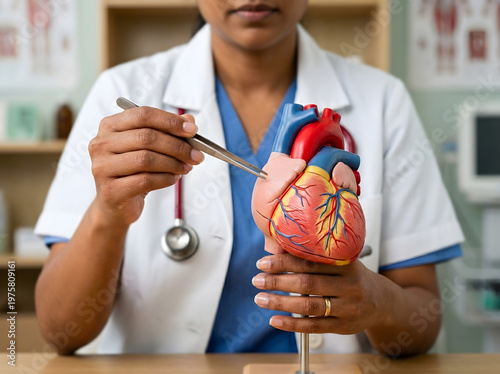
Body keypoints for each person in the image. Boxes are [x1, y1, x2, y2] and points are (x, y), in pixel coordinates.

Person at [35, 0, 463, 356]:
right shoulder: (124, 92)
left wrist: (377, 302)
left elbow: (421, 320)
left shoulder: (382, 101)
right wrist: (108, 213)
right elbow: (60, 330)